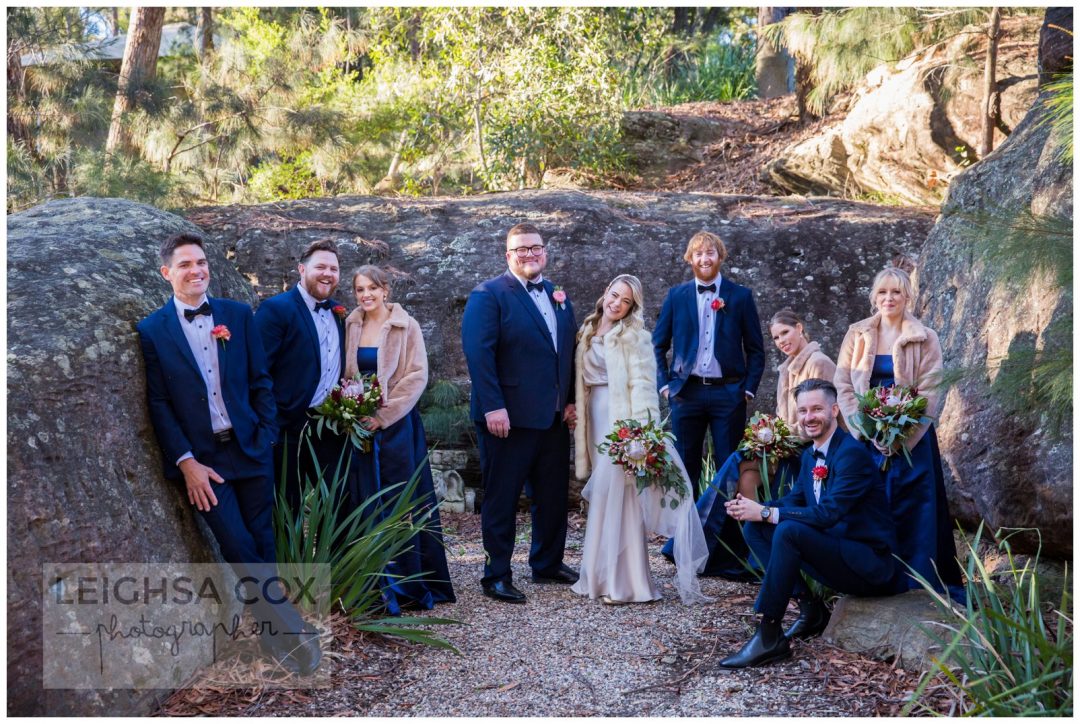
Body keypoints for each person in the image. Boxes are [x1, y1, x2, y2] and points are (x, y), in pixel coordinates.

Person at [137, 232, 321, 675]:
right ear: (167, 273)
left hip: (252, 448)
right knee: (238, 545)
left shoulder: (238, 315)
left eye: (201, 262)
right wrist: (186, 463)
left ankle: (277, 639)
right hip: (204, 462)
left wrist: (267, 434)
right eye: (185, 264)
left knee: (264, 542)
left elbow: (261, 379)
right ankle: (294, 634)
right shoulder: (152, 330)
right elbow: (159, 403)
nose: (196, 270)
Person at [720, 379, 897, 669]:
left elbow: (828, 514)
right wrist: (753, 509)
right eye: (802, 410)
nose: (808, 417)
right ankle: (810, 610)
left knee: (787, 530)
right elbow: (794, 500)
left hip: (868, 565)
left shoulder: (851, 455)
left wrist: (766, 512)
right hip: (835, 552)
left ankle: (769, 633)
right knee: (757, 528)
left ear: (835, 410)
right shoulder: (809, 456)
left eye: (816, 409)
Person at [664, 309, 837, 578]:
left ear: (800, 327)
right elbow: (783, 418)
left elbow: (818, 419)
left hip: (809, 448)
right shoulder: (787, 368)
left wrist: (775, 438)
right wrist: (769, 435)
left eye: (785, 333)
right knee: (744, 472)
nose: (781, 341)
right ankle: (754, 555)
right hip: (790, 445)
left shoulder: (818, 362)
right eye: (776, 337)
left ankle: (694, 544)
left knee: (739, 460)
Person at [570, 275, 709, 605]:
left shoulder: (635, 336)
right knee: (603, 498)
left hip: (620, 422)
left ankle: (628, 583)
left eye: (625, 301)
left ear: (633, 307)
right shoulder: (588, 329)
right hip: (594, 417)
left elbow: (644, 388)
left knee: (624, 499)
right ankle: (596, 576)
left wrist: (639, 436)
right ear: (605, 293)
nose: (616, 304)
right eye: (614, 295)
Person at [461, 223, 578, 604]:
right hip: (506, 419)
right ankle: (496, 574)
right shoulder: (489, 294)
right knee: (502, 498)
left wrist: (571, 400)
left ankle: (547, 563)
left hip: (552, 418)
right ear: (508, 256)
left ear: (545, 252)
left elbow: (568, 355)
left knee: (552, 496)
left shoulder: (560, 297)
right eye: (521, 249)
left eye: (535, 248)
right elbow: (479, 354)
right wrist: (494, 405)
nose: (529, 254)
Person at [834, 266, 963, 597]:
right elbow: (843, 382)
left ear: (908, 297)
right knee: (868, 504)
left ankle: (917, 582)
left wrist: (901, 437)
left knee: (913, 507)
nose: (888, 298)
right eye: (882, 292)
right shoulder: (857, 334)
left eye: (896, 292)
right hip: (866, 439)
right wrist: (863, 429)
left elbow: (930, 391)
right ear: (873, 297)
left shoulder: (925, 337)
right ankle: (871, 576)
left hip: (911, 440)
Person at [342, 265, 456, 612]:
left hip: (396, 429)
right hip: (359, 428)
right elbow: (346, 374)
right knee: (365, 501)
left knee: (400, 501)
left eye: (372, 289)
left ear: (386, 289)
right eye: (360, 290)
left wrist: (382, 416)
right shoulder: (352, 324)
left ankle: (407, 585)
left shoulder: (407, 325)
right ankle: (372, 585)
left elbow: (416, 376)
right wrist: (352, 408)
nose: (366, 296)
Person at [653, 230, 765, 499]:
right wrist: (665, 386)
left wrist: (747, 389)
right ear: (690, 258)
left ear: (720, 256)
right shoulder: (676, 296)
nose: (704, 259)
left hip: (728, 394)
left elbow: (756, 349)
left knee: (728, 468)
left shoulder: (740, 296)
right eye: (698, 253)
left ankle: (724, 533)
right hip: (686, 393)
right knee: (684, 466)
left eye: (710, 253)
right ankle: (687, 534)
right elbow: (657, 345)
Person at [255, 239, 351, 512]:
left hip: (331, 427)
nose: (327, 273)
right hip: (287, 429)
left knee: (338, 504)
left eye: (333, 268)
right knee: (288, 509)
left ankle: (335, 556)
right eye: (320, 266)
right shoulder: (276, 309)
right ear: (301, 269)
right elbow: (257, 371)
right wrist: (270, 424)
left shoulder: (339, 313)